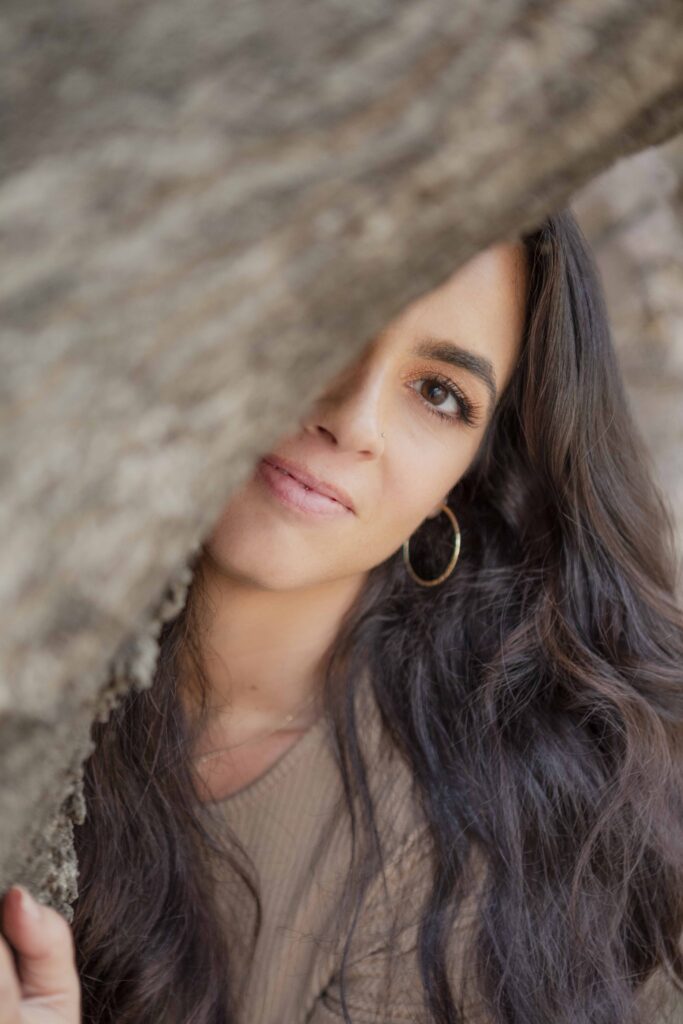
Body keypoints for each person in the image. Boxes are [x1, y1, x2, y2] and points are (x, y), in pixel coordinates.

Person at [1, 210, 681, 1024]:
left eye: (438, 393)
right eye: (329, 320)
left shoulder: (470, 868)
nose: (352, 420)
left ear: (462, 482)